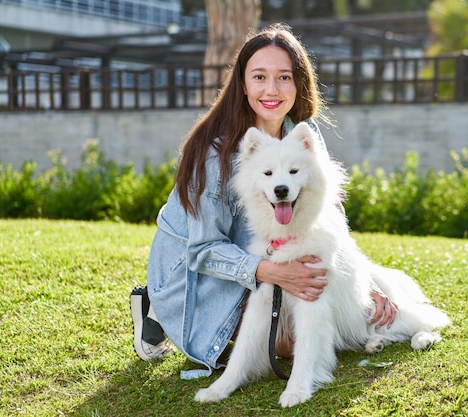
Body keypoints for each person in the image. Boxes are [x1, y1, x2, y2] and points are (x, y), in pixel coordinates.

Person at [130, 23, 398, 376]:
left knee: (326, 313)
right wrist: (274, 272)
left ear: (299, 83)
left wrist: (365, 288)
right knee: (287, 343)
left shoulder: (303, 133)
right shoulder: (215, 156)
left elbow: (328, 218)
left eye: (284, 77)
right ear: (242, 84)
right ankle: (157, 308)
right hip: (199, 272)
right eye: (259, 77)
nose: (272, 89)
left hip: (264, 253)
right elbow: (202, 250)